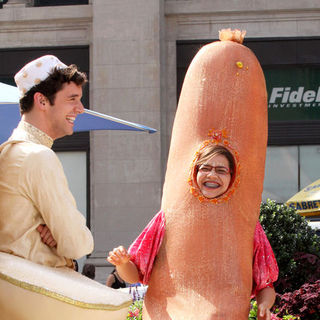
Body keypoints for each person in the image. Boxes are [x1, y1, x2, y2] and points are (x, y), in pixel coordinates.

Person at [108, 144, 278, 320]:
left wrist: (264, 305)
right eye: (205, 168)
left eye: (221, 170)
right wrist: (122, 263)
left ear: (231, 176)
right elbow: (135, 274)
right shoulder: (169, 216)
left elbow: (265, 284)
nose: (212, 175)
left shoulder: (247, 224)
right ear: (195, 171)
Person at [0, 55, 94, 269]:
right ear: (41, 101)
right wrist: (67, 236)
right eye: (72, 99)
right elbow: (78, 245)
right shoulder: (37, 156)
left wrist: (60, 234)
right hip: (35, 291)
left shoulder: (11, 151)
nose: (80, 108)